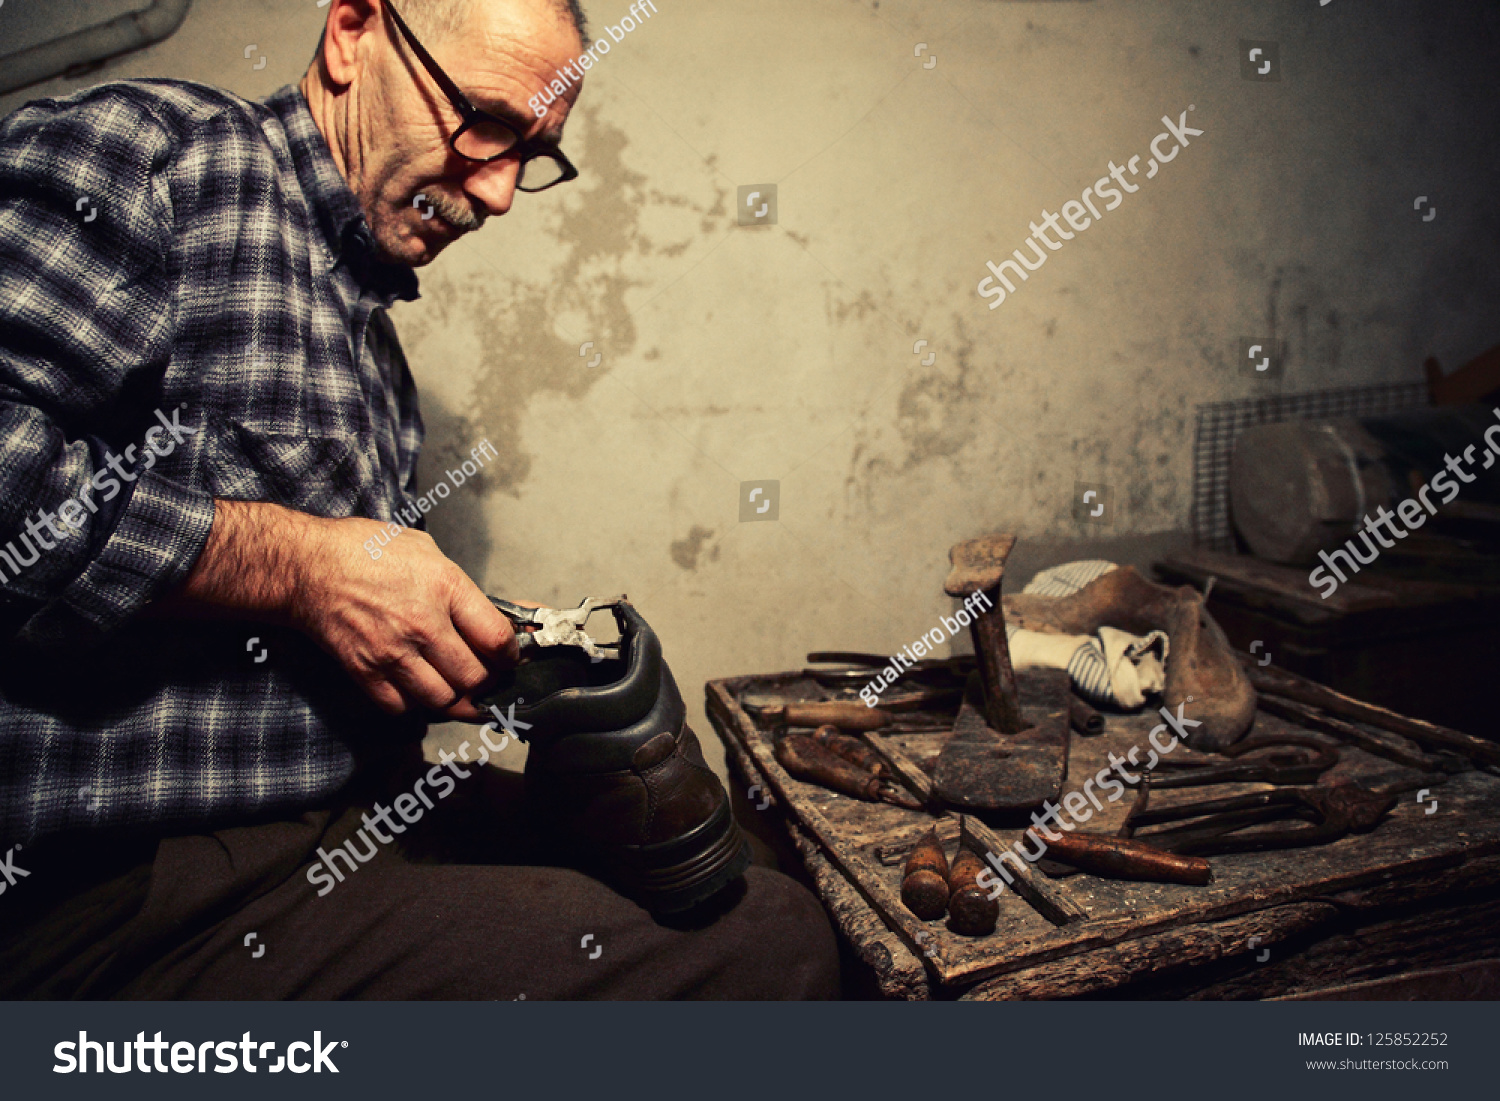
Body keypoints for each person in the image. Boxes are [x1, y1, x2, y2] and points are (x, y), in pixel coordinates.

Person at [0, 0, 838, 1000]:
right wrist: (304, 568)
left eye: (531, 153)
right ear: (354, 33)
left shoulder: (372, 352)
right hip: (113, 891)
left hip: (341, 816)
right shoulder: (152, 156)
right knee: (764, 943)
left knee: (754, 865)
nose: (498, 192)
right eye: (484, 120)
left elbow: (324, 630)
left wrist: (518, 659)